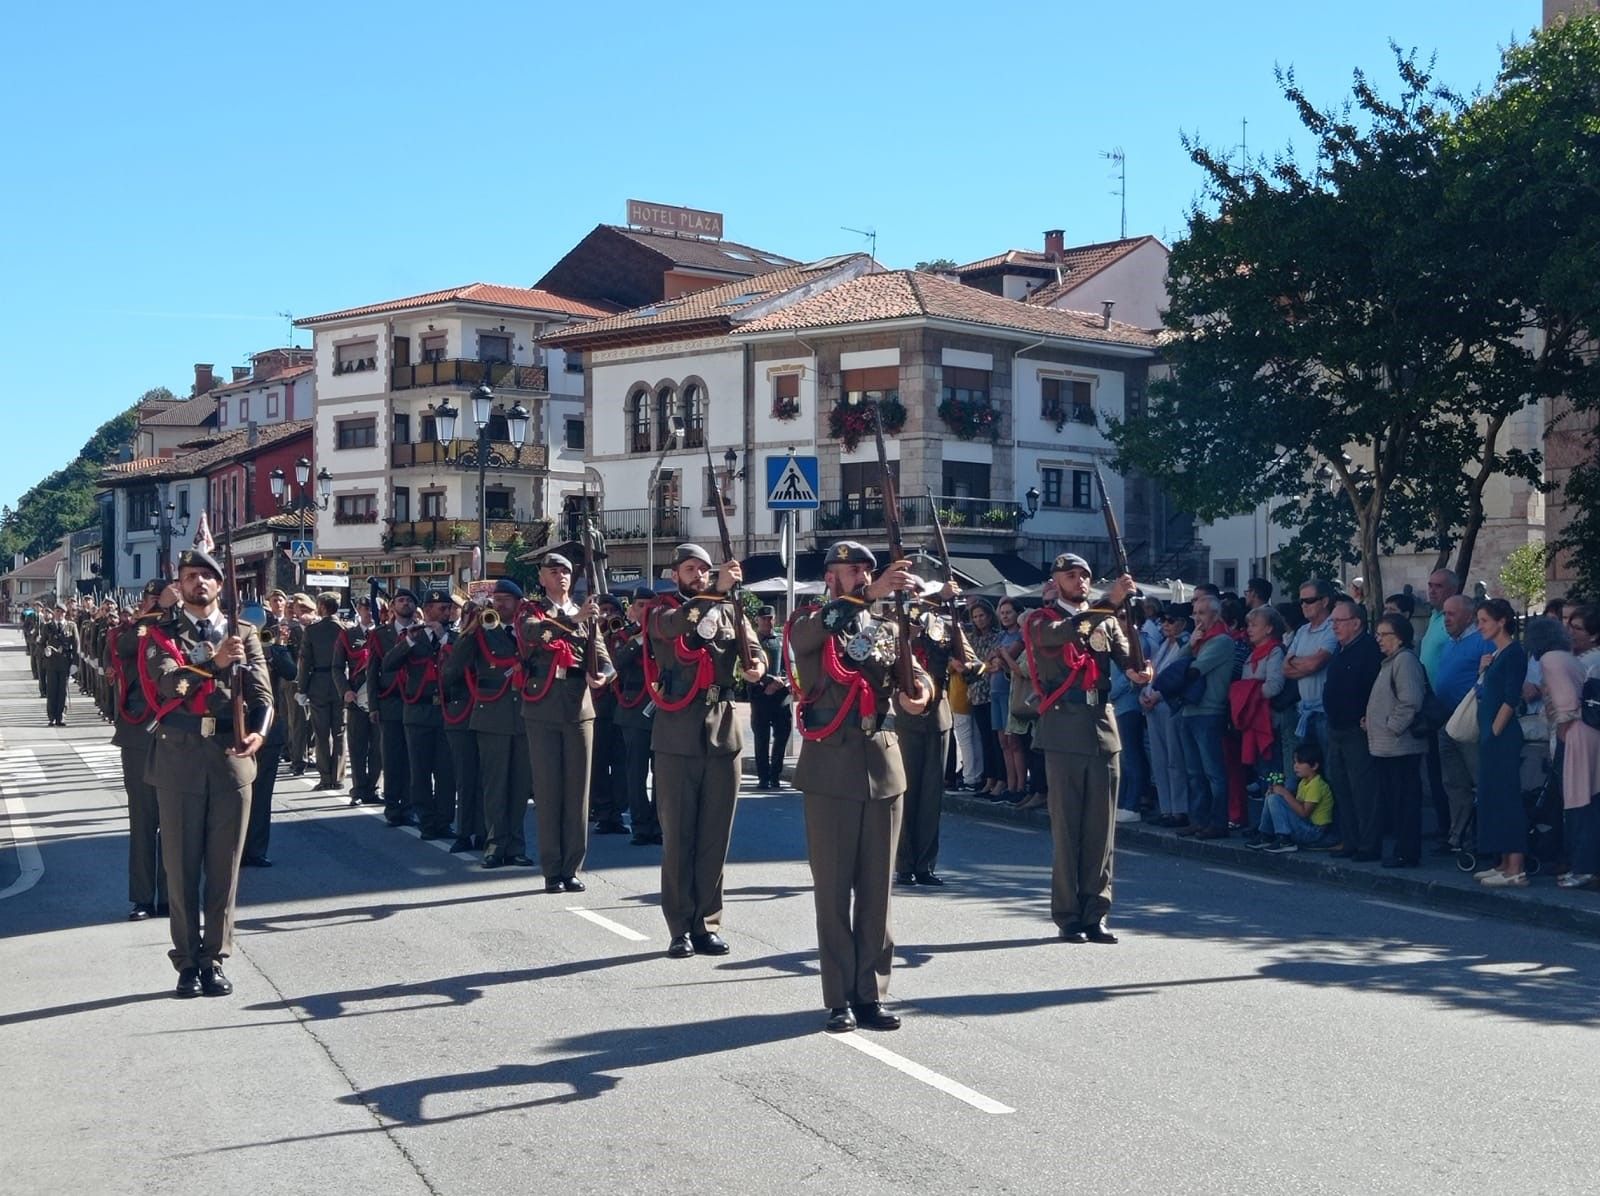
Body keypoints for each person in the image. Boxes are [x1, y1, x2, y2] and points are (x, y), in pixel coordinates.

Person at [788, 540, 929, 1031]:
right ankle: (838, 997)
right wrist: (868, 596)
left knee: (877, 892)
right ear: (832, 578)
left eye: (869, 571)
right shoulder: (809, 622)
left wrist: (921, 693)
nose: (866, 577)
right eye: (855, 571)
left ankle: (871, 993)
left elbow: (911, 675)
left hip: (883, 765)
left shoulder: (888, 627)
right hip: (831, 768)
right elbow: (822, 637)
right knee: (833, 891)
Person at [140, 548, 273, 998]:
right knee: (180, 870)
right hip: (179, 758)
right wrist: (214, 664)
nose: (199, 583)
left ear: (220, 585)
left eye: (207, 577)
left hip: (231, 759)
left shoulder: (244, 633)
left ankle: (214, 958)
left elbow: (263, 695)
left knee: (224, 869)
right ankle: (186, 962)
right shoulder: (160, 632)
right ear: (179, 585)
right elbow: (167, 684)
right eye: (190, 576)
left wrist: (259, 733)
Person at [1023, 553, 1151, 941]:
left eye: (1085, 575)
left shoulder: (1107, 620)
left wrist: (1141, 669)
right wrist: (1108, 602)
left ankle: (1096, 911)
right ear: (1056, 580)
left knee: (1101, 828)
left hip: (1102, 726)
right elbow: (1063, 634)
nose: (1079, 581)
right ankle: (1068, 914)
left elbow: (1128, 663)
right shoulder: (1040, 621)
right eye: (1071, 575)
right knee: (1068, 828)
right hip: (1064, 728)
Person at [645, 544, 763, 956]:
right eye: (690, 568)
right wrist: (714, 592)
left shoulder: (730, 610)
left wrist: (757, 667)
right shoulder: (660, 611)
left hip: (723, 729)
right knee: (679, 836)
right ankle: (679, 925)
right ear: (674, 574)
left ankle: (706, 923)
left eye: (704, 569)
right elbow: (680, 625)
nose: (698, 574)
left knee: (715, 835)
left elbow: (755, 648)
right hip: (678, 734)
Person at [519, 551, 611, 892]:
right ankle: (551, 867)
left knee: (577, 791)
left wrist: (603, 677)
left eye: (566, 571)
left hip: (578, 705)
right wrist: (573, 620)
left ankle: (572, 867)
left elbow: (603, 656)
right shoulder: (533, 610)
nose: (560, 576)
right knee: (548, 789)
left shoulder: (585, 614)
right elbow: (532, 635)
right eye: (553, 571)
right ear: (541, 577)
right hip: (543, 704)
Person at [441, 578, 532, 866]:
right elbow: (452, 671)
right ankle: (494, 844)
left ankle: (516, 846)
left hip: (525, 717)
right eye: (498, 598)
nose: (501, 603)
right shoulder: (481, 632)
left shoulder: (528, 631)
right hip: (492, 716)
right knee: (494, 785)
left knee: (519, 787)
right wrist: (470, 630)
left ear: (519, 604)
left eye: (507, 599)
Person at [896, 581, 977, 884]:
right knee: (907, 791)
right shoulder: (900, 617)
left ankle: (925, 864)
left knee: (931, 795)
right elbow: (899, 636)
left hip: (938, 713)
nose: (918, 596)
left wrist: (968, 663)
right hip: (907, 711)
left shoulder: (945, 623)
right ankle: (904, 863)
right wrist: (933, 598)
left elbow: (969, 658)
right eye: (916, 592)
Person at [112, 580, 174, 920]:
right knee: (143, 819)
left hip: (174, 734)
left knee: (174, 821)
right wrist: (152, 614)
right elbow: (124, 648)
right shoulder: (133, 632)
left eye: (163, 598)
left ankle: (170, 895)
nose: (159, 603)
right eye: (153, 599)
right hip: (138, 733)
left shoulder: (178, 630)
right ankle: (142, 897)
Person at [1528, 617, 1600, 889]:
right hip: (1590, 732)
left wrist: (1561, 730)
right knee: (1590, 802)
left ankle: (1584, 868)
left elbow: (1567, 703)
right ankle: (1586, 866)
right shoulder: (1568, 658)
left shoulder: (1550, 661)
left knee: (1579, 804)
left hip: (1575, 733)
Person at [383, 588, 458, 841]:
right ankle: (427, 821)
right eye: (441, 608)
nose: (446, 612)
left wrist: (445, 639)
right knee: (421, 771)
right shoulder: (411, 638)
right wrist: (411, 642)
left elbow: (461, 666)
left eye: (448, 608)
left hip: (447, 712)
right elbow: (388, 664)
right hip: (418, 712)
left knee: (446, 772)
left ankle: (444, 820)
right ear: (426, 611)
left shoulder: (455, 638)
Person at [1474, 599, 1529, 886]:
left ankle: (1516, 867)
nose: (1480, 626)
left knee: (1506, 796)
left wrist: (1495, 729)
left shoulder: (1514, 653)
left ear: (1501, 621)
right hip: (1490, 734)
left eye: (1484, 620)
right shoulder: (1498, 654)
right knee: (1493, 795)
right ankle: (1504, 862)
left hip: (1501, 736)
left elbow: (1510, 697)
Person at [1365, 614, 1429, 867]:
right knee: (1396, 800)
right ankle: (1402, 849)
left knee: (1405, 802)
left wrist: (1392, 726)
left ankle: (1407, 852)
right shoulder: (1390, 662)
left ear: (1400, 637)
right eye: (1378, 634)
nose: (1379, 639)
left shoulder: (1404, 661)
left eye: (1384, 635)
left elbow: (1411, 700)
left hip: (1400, 745)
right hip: (1388, 745)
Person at [1323, 600, 1383, 861]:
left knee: (1363, 790)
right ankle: (1350, 840)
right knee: (1341, 787)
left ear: (1356, 623)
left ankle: (1368, 845)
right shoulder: (1341, 648)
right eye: (1333, 621)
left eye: (1339, 621)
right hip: (1336, 727)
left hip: (1357, 729)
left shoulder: (1368, 650)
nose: (1334, 626)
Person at [1175, 593, 1234, 839]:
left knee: (1213, 772)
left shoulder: (1221, 641)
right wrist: (1190, 643)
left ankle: (1218, 822)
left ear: (1215, 615)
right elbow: (1177, 664)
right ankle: (1197, 819)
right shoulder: (1199, 641)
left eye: (1202, 613)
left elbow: (1191, 671)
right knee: (1193, 771)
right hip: (1190, 710)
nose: (1197, 618)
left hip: (1209, 711)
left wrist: (1191, 651)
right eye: (1195, 613)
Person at [244, 601, 298, 868]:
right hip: (237, 728)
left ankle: (255, 849)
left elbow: (291, 672)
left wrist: (277, 648)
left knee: (262, 794)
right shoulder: (233, 648)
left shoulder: (274, 649)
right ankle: (233, 847)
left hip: (268, 728)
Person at [1433, 595, 1488, 852]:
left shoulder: (1481, 642)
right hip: (1447, 721)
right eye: (1444, 614)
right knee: (1453, 783)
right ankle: (1457, 835)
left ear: (1469, 616)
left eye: (1452, 614)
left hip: (1469, 723)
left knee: (1478, 779)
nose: (1446, 619)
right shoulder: (1449, 644)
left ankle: (1482, 837)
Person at [609, 585, 661, 846]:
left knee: (662, 773)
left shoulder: (665, 635)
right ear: (632, 609)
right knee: (636, 772)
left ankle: (659, 823)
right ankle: (641, 825)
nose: (646, 611)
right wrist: (640, 637)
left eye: (651, 606)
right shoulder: (624, 635)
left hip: (663, 711)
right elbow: (614, 662)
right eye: (641, 606)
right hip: (633, 710)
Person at [369, 588, 419, 827]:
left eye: (409, 600)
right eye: (401, 600)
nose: (405, 604)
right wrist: (373, 705)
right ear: (392, 607)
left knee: (411, 757)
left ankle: (409, 806)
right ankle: (392, 807)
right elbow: (372, 672)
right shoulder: (380, 635)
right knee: (391, 757)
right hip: (389, 701)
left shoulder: (421, 632)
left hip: (414, 700)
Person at [1282, 579, 1338, 780]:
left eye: (1310, 600)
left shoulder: (1333, 628)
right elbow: (1285, 668)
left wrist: (1299, 662)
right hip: (1304, 711)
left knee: (1329, 772)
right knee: (1307, 775)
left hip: (1325, 712)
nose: (1304, 605)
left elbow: (1317, 663)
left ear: (1324, 601)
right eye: (1302, 601)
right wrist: (1307, 664)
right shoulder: (1302, 631)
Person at [1141, 608, 1192, 827]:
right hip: (1153, 705)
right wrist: (1145, 693)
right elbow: (1154, 673)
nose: (1165, 625)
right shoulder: (1164, 644)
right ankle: (1165, 808)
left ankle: (1179, 809)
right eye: (1163, 621)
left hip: (1170, 705)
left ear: (1182, 622)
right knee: (1159, 759)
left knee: (1174, 759)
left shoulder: (1185, 645)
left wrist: (1157, 695)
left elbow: (1178, 678)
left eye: (1170, 621)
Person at [440, 593, 482, 853]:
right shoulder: (459, 641)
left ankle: (486, 831)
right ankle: (465, 831)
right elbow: (449, 675)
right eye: (473, 615)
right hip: (463, 714)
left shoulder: (497, 638)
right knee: (466, 778)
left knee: (488, 779)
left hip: (488, 713)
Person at [588, 591, 630, 835]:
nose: (607, 615)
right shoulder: (592, 637)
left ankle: (618, 812)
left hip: (623, 708)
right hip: (599, 708)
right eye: (602, 611)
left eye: (611, 611)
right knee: (599, 763)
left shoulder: (624, 636)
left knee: (622, 764)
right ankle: (603, 812)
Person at [296, 591, 347, 791]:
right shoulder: (345, 629)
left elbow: (305, 661)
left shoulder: (312, 630)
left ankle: (325, 777)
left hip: (318, 683)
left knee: (321, 732)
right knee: (340, 731)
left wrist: (302, 688)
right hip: (340, 684)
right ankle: (339, 776)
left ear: (323, 608)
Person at [334, 596, 382, 807]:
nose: (370, 612)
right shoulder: (348, 635)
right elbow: (336, 667)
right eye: (366, 608)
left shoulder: (384, 634)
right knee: (357, 746)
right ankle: (358, 789)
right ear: (359, 609)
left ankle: (373, 788)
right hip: (356, 696)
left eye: (375, 608)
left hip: (380, 697)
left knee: (379, 747)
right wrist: (345, 691)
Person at [1247, 742, 1335, 852]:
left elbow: (1304, 813)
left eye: (1300, 762)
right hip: (1305, 826)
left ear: (1314, 766)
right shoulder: (1303, 782)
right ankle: (1266, 835)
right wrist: (1277, 793)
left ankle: (1285, 840)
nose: (1295, 766)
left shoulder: (1317, 785)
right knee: (1273, 797)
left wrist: (1284, 793)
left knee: (1276, 798)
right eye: (1295, 762)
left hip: (1315, 832)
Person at [749, 605, 794, 791]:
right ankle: (763, 777)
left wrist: (781, 681)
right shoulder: (752, 642)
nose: (768, 621)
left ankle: (775, 775)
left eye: (771, 618)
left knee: (782, 736)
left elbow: (791, 665)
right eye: (764, 618)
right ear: (757, 620)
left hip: (781, 696)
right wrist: (766, 682)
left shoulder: (783, 641)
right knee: (761, 739)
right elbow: (745, 667)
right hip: (760, 696)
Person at [965, 601, 1003, 797]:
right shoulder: (971, 639)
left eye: (982, 615)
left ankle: (999, 779)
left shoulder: (998, 637)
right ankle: (988, 779)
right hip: (976, 692)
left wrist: (981, 665)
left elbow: (990, 663)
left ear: (989, 616)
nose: (979, 620)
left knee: (998, 739)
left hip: (992, 691)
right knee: (984, 739)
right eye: (975, 617)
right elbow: (968, 663)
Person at [1567, 604, 1600, 679]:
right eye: (1570, 626)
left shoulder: (1591, 661)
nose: (1570, 632)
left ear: (1594, 636)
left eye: (1577, 628)